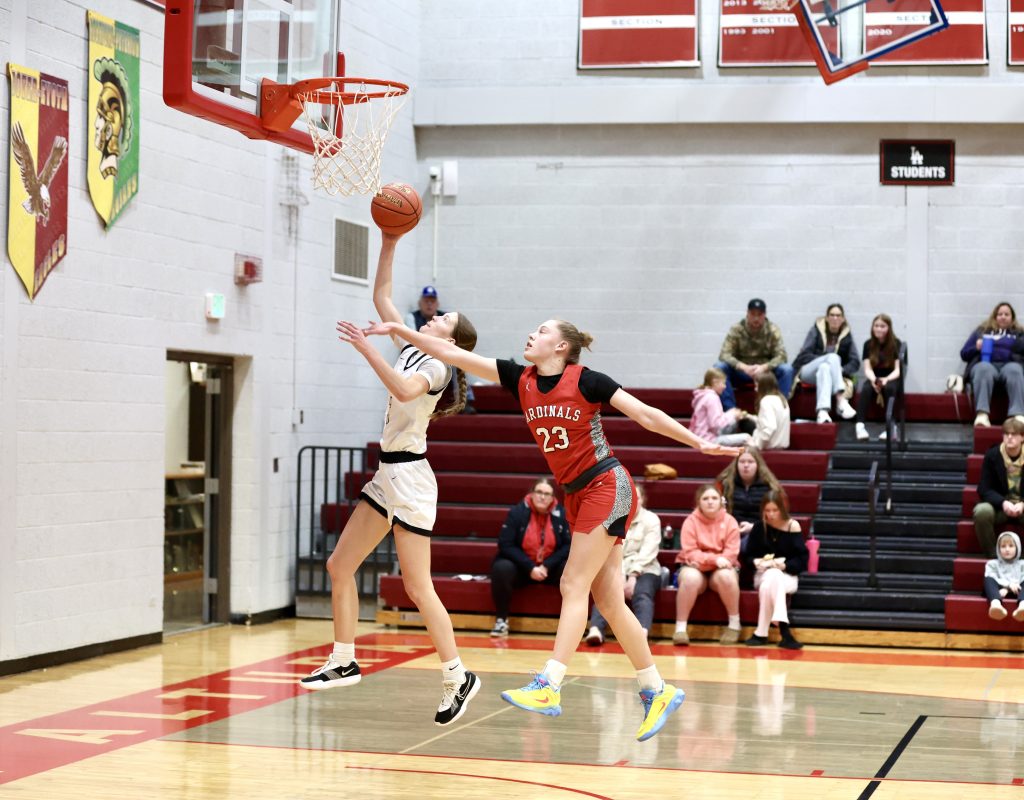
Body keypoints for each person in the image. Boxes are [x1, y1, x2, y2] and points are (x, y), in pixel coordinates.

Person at [344, 315, 741, 742]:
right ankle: (656, 689)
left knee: (572, 584)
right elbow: (450, 352)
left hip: (607, 484)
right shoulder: (521, 378)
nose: (533, 333)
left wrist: (697, 442)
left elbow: (645, 414)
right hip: (575, 494)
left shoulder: (587, 380)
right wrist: (400, 331)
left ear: (561, 347)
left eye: (544, 330)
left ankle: (549, 684)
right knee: (607, 601)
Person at [304, 234, 482, 729]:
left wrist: (366, 348)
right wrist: (389, 239)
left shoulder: (440, 364)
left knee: (417, 585)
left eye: (443, 318)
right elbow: (382, 295)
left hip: (411, 478)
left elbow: (404, 389)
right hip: (390, 471)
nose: (434, 316)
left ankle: (457, 676)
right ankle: (343, 657)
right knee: (340, 565)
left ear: (453, 340)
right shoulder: (414, 345)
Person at [490, 477, 572, 638]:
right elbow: (505, 544)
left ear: (552, 498)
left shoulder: (561, 514)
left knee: (570, 570)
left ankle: (569, 624)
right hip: (523, 569)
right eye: (539, 492)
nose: (543, 497)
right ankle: (501, 620)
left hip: (549, 569)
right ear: (532, 494)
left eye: (547, 494)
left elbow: (568, 546)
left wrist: (546, 565)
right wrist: (530, 567)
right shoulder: (517, 512)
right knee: (501, 568)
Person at [585, 484, 663, 645]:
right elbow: (610, 550)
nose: (633, 501)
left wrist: (633, 575)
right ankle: (596, 630)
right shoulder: (614, 519)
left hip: (646, 568)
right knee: (607, 589)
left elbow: (648, 551)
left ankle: (642, 632)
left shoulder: (652, 519)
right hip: (617, 567)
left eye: (637, 497)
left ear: (643, 500)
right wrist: (619, 575)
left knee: (642, 592)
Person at [673, 484, 742, 646]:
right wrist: (714, 560)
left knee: (726, 576)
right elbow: (690, 553)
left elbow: (731, 554)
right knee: (689, 578)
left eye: (714, 498)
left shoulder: (730, 521)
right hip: (697, 568)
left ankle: (734, 623)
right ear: (698, 502)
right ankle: (680, 628)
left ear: (721, 502)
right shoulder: (690, 521)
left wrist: (706, 562)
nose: (710, 502)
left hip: (718, 569)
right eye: (705, 498)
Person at [744, 490, 808, 649]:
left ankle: (761, 633)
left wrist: (785, 565)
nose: (771, 514)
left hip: (788, 576)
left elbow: (802, 559)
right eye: (767, 511)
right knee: (772, 576)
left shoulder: (793, 526)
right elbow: (747, 556)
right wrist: (756, 562)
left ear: (782, 508)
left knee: (772, 580)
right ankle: (785, 632)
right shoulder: (759, 527)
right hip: (763, 574)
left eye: (775, 510)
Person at [714, 298, 794, 411]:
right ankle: (731, 411)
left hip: (765, 372)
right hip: (741, 371)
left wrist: (764, 367)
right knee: (719, 367)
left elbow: (782, 356)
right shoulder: (737, 329)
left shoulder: (772, 329)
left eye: (759, 314)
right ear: (747, 313)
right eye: (753, 314)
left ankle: (779, 409)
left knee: (787, 369)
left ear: (764, 315)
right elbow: (724, 354)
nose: (756, 318)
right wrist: (743, 367)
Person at [407, 285, 476, 413]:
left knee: (459, 359)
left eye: (432, 301)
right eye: (426, 301)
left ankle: (465, 399)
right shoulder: (412, 318)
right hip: (421, 354)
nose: (429, 304)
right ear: (420, 303)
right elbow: (410, 338)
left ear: (437, 303)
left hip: (438, 356)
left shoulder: (442, 320)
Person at [958, 301, 1024, 428]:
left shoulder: (1019, 334)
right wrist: (976, 348)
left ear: (1012, 318)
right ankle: (982, 414)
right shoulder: (982, 331)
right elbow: (964, 353)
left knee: (1015, 370)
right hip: (987, 364)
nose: (1003, 317)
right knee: (983, 368)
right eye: (1000, 314)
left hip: (1010, 365)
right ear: (994, 317)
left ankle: (1018, 415)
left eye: (1007, 314)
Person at [792, 303, 860, 423]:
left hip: (826, 373)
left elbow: (855, 361)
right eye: (832, 315)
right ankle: (841, 400)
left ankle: (822, 411)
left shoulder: (846, 335)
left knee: (825, 368)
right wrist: (826, 358)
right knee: (832, 358)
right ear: (827, 318)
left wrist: (839, 370)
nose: (835, 318)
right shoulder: (816, 330)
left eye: (838, 315)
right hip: (807, 371)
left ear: (843, 319)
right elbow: (804, 355)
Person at [973, 416, 1024, 558]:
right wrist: (1003, 502)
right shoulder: (992, 455)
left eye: (1014, 434)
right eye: (1006, 434)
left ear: (1022, 437)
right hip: (1000, 507)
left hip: (1022, 506)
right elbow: (984, 488)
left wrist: (1023, 504)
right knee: (982, 511)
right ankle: (993, 556)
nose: (1009, 437)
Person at [717, 448, 783, 554]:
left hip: (760, 532)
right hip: (729, 531)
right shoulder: (724, 484)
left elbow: (779, 519)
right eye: (742, 462)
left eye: (750, 462)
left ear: (758, 465)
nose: (746, 465)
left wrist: (753, 527)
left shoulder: (770, 487)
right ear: (736, 465)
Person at [854, 314, 903, 442]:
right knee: (865, 389)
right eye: (876, 326)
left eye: (882, 326)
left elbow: (898, 370)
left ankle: (892, 427)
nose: (879, 329)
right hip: (874, 377)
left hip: (891, 377)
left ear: (889, 328)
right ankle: (860, 426)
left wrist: (886, 380)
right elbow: (867, 368)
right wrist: (874, 380)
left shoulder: (897, 344)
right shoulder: (868, 344)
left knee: (889, 389)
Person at [689, 367, 754, 447]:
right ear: (715, 382)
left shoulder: (703, 395)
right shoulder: (712, 398)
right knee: (746, 438)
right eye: (723, 383)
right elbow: (716, 424)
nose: (725, 387)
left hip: (699, 437)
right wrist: (732, 415)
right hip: (708, 440)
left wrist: (731, 413)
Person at [984, 531, 1024, 621]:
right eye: (1003, 546)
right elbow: (991, 576)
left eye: (1011, 546)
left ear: (1017, 547)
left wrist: (1008, 589)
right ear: (998, 549)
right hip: (997, 593)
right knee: (989, 579)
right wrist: (1008, 585)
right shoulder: (992, 564)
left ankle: (1022, 606)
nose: (1007, 549)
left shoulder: (1022, 564)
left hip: (1019, 592)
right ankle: (995, 605)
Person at [750, 372, 791, 451]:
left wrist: (757, 445)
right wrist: (748, 416)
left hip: (768, 450)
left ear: (763, 386)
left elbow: (770, 427)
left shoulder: (766, 401)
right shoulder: (782, 399)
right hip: (780, 449)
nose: (755, 389)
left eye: (757, 386)